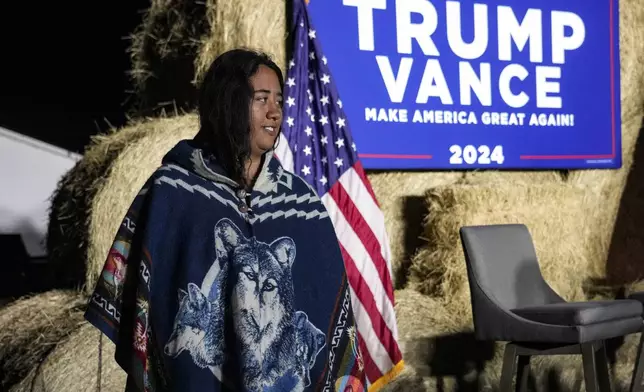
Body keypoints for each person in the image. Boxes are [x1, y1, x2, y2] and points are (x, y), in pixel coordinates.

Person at [84, 48, 369, 392]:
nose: (274, 111)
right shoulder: (173, 192)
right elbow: (141, 295)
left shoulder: (302, 204)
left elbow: (323, 300)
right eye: (261, 98)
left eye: (278, 99)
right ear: (228, 104)